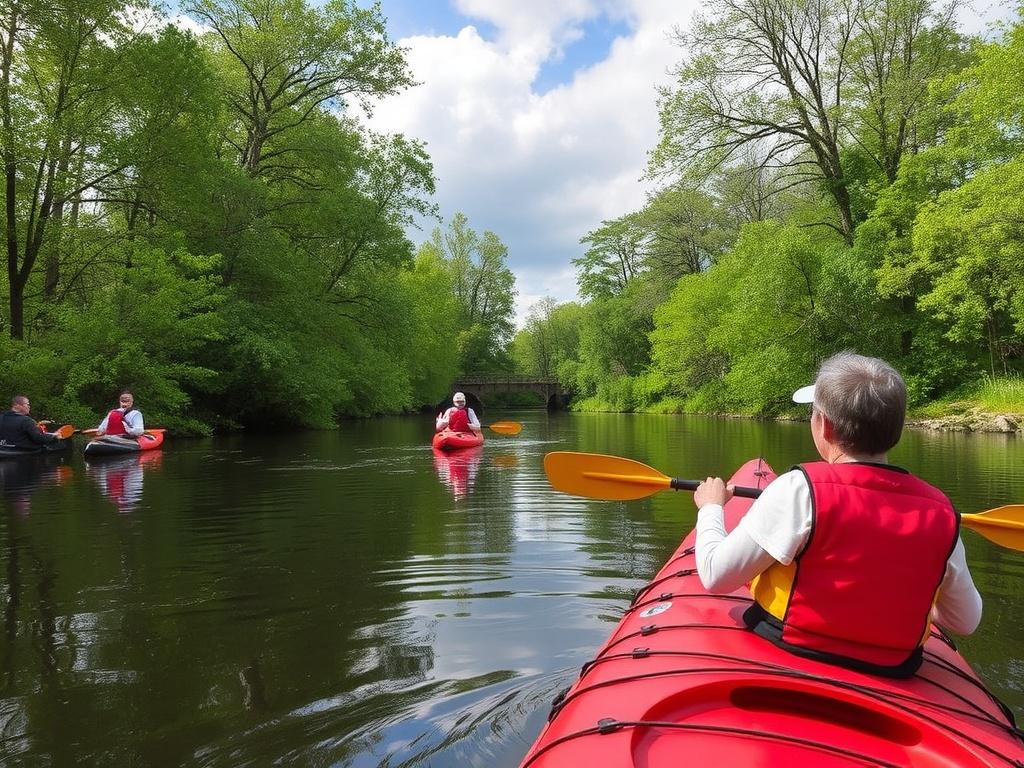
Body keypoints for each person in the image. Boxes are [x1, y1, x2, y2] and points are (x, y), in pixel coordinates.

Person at [693, 351, 982, 678]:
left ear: (824, 426)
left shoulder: (798, 490)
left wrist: (712, 508)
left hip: (792, 647)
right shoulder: (942, 514)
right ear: (896, 430)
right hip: (896, 669)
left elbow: (715, 575)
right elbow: (965, 621)